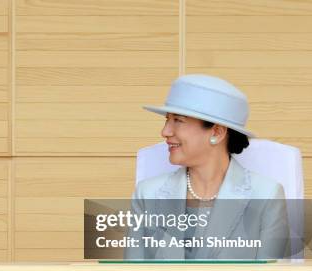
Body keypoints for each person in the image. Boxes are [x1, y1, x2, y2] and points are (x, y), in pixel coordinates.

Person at [124, 74, 289, 260]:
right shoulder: (147, 194)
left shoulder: (266, 195)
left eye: (178, 120)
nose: (165, 131)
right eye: (167, 120)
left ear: (217, 132)